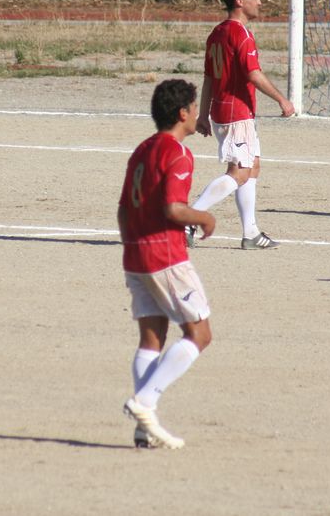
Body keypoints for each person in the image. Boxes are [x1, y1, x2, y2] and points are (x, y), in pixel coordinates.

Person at [118, 79, 217, 450]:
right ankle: (145, 401)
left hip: (135, 254)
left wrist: (132, 244)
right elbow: (173, 209)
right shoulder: (177, 153)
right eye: (195, 107)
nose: (197, 113)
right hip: (165, 255)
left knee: (151, 339)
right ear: (182, 113)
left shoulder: (142, 149)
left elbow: (123, 209)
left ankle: (144, 429)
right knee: (199, 334)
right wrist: (205, 217)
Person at [188, 0, 295, 250]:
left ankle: (251, 233)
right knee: (239, 172)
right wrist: (282, 99)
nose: (260, 2)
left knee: (252, 167)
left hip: (226, 111)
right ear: (239, 1)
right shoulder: (241, 34)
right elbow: (253, 74)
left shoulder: (217, 33)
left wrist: (203, 115)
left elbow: (209, 78)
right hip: (237, 113)